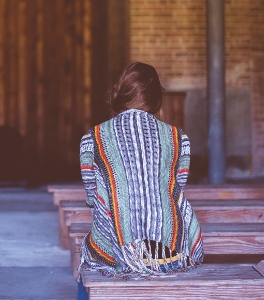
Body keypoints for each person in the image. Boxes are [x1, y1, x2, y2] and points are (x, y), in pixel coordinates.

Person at [77, 62, 203, 297]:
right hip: (169, 249)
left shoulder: (92, 138)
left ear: (118, 95)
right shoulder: (178, 138)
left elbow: (93, 198)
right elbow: (177, 190)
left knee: (89, 261)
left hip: (116, 252)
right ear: (156, 99)